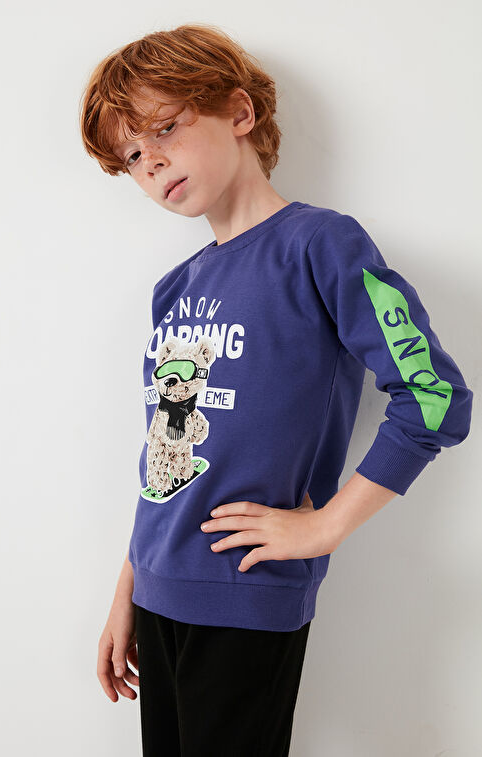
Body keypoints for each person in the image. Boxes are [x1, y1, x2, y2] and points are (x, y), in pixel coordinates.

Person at [79, 22, 473, 757]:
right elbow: (162, 454)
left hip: (246, 593)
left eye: (164, 128)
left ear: (238, 112)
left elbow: (433, 395)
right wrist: (126, 590)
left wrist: (323, 527)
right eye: (131, 156)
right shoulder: (174, 289)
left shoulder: (320, 245)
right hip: (156, 592)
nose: (150, 160)